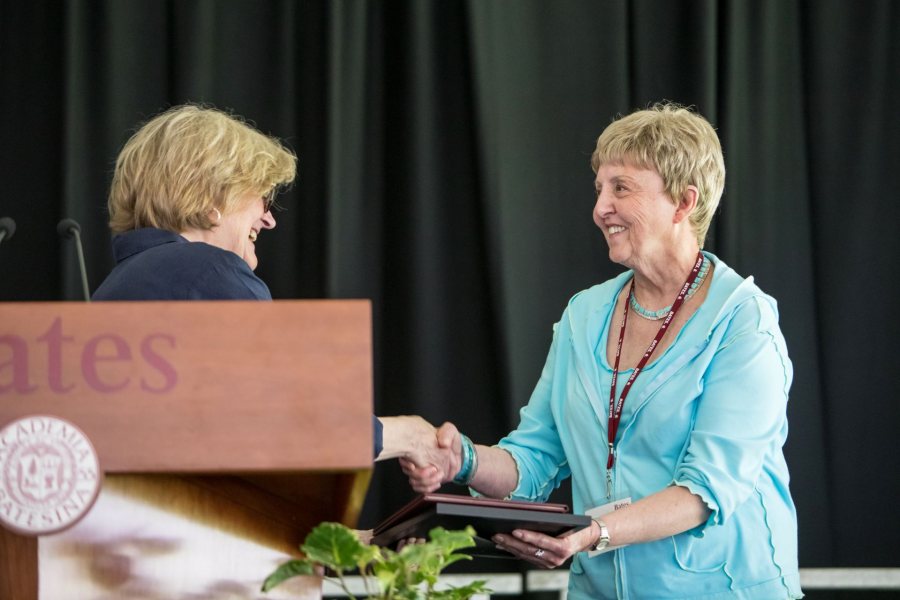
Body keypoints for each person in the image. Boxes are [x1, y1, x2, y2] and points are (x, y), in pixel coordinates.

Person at [403, 103, 801, 599]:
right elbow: (532, 461)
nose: (600, 208)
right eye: (599, 189)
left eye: (622, 188)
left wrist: (594, 533)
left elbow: (705, 492)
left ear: (683, 202)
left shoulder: (743, 321)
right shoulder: (584, 315)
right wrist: (460, 459)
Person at [92, 104, 447, 469]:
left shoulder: (118, 284)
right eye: (261, 196)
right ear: (214, 199)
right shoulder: (208, 271)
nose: (269, 218)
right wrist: (410, 435)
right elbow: (300, 421)